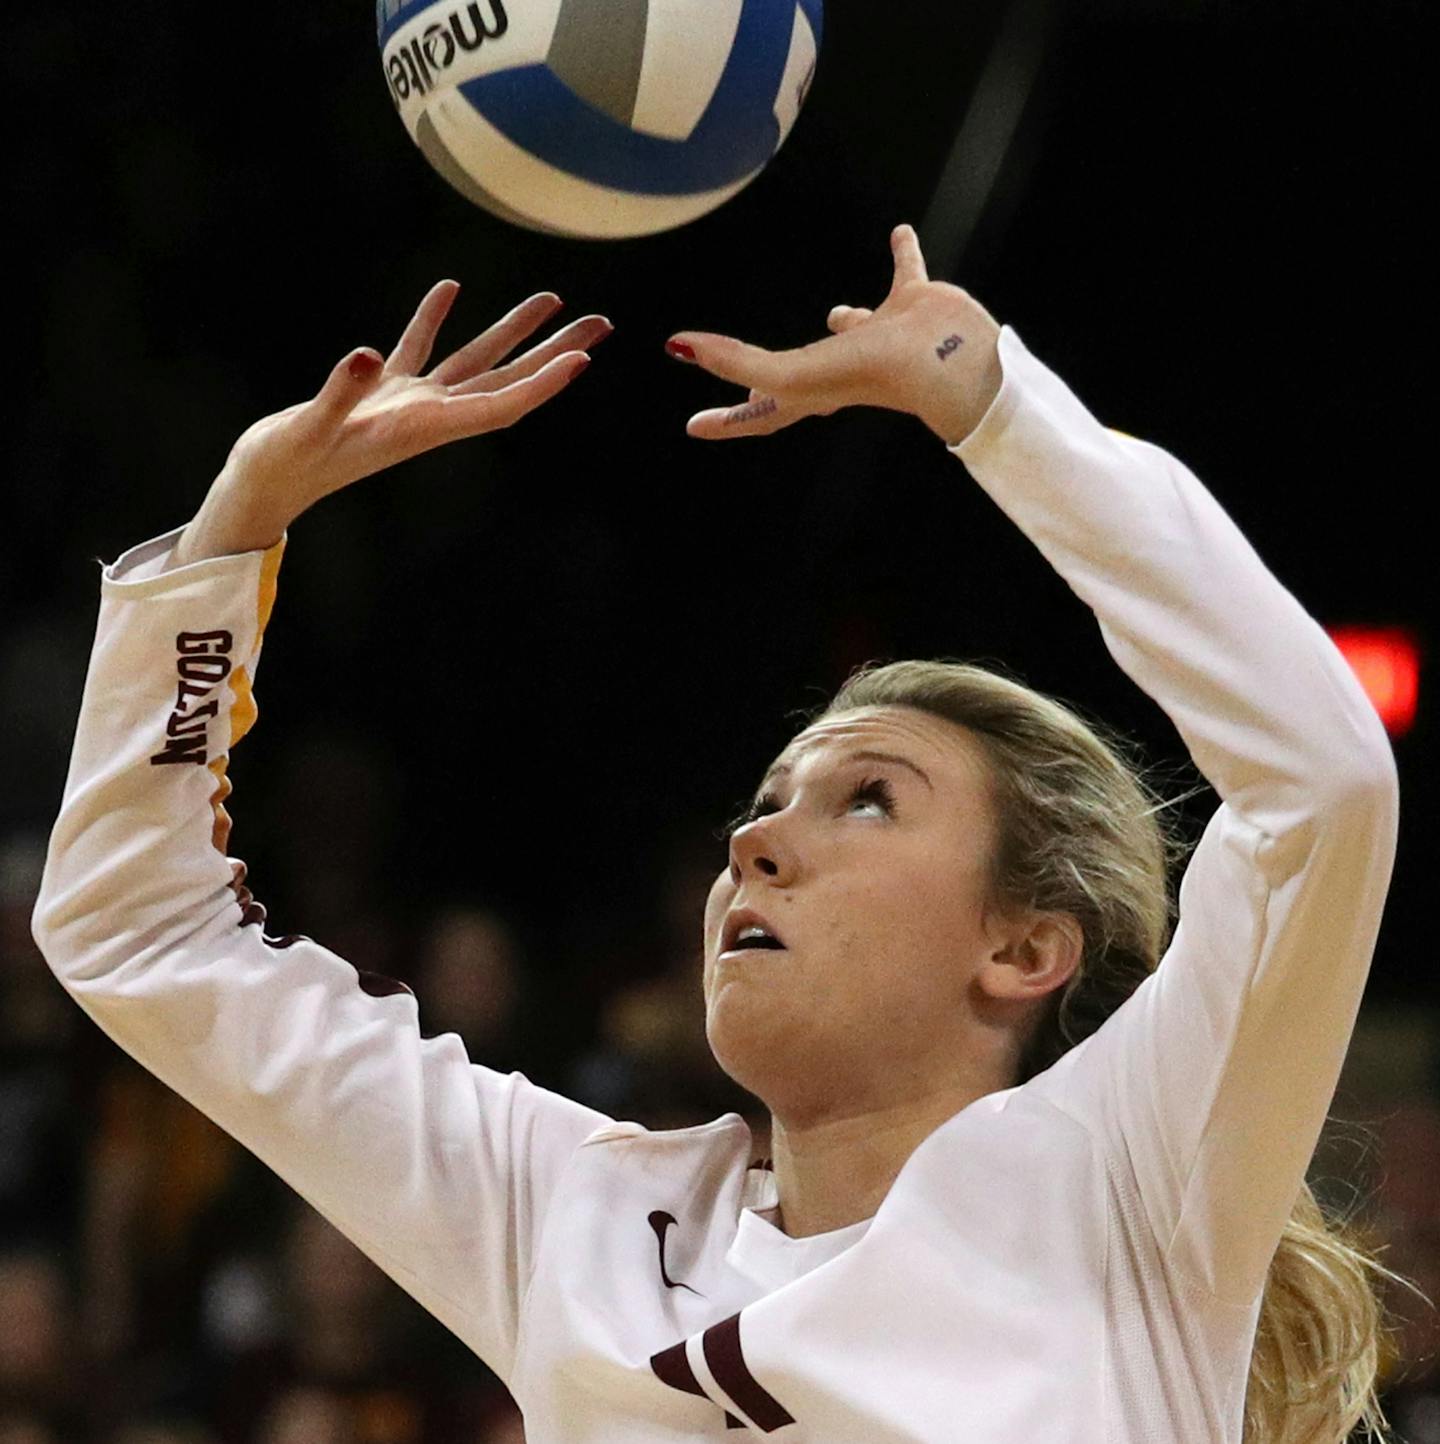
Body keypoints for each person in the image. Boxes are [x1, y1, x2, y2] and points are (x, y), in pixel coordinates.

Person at [33, 226, 1406, 1441]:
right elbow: (137, 931)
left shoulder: (1130, 1178)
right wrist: (232, 535)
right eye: (763, 805)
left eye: (867, 799)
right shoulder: (567, 1218)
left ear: (1026, 943)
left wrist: (1001, 416)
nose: (756, 846)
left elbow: (1321, 782)